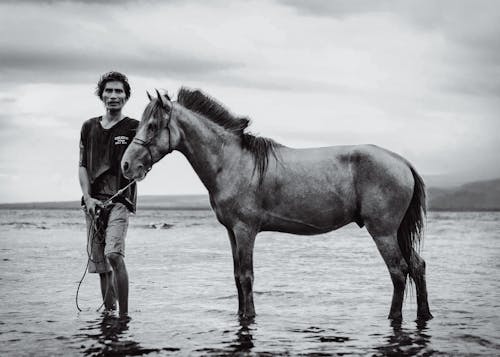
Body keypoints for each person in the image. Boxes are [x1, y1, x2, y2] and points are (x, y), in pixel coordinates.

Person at [78, 71, 139, 317]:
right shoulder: (88, 127)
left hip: (120, 200)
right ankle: (109, 314)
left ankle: (124, 317)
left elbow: (143, 159)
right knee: (102, 266)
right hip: (93, 202)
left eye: (118, 91)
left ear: (126, 96)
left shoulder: (134, 127)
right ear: (101, 95)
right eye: (109, 91)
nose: (113, 96)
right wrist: (88, 197)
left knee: (113, 254)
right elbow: (82, 165)